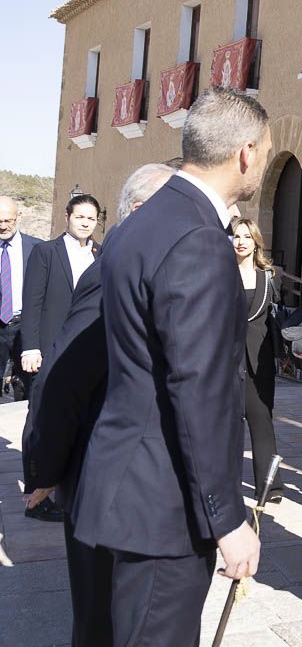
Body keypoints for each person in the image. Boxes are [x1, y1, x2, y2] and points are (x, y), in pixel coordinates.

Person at [71, 88, 267, 646]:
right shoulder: (200, 240)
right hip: (164, 509)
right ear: (246, 153)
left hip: (123, 487)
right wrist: (227, 519)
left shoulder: (141, 221)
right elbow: (197, 388)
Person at [22, 162, 174, 647]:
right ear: (140, 211)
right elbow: (61, 380)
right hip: (101, 474)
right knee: (98, 618)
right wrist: (45, 470)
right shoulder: (113, 270)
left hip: (145, 479)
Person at [20, 193, 102, 522]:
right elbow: (33, 301)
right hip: (49, 348)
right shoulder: (46, 252)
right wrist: (30, 346)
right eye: (80, 216)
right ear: (67, 217)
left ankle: (68, 483)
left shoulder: (102, 253)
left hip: (86, 350)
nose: (85, 222)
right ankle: (36, 492)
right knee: (40, 418)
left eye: (91, 218)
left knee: (78, 418)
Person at [231, 217, 285, 502]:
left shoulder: (268, 276)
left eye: (246, 237)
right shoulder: (221, 273)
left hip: (258, 359)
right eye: (236, 236)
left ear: (255, 242)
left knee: (261, 419)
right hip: (226, 359)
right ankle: (226, 483)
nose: (240, 241)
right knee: (227, 423)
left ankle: (270, 486)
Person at [0, 195, 42, 401]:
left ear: (19, 216)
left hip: (24, 326)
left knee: (27, 388)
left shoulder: (38, 249)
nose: (3, 226)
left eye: (8, 220)